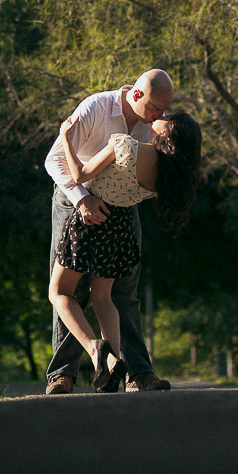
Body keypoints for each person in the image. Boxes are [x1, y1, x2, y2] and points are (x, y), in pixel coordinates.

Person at [48, 111, 202, 392]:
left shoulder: (124, 145)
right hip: (120, 229)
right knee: (104, 298)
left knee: (59, 293)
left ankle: (96, 351)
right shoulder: (166, 175)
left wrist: (66, 139)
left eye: (168, 117)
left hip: (91, 222)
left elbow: (79, 175)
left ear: (168, 132)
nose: (161, 115)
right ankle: (112, 367)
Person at [44, 69, 174, 394]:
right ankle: (63, 375)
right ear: (136, 95)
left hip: (120, 210)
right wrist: (82, 199)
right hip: (76, 199)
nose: (161, 115)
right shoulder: (97, 108)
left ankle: (135, 373)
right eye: (156, 108)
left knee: (123, 292)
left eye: (165, 109)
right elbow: (54, 161)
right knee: (71, 291)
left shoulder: (153, 127)